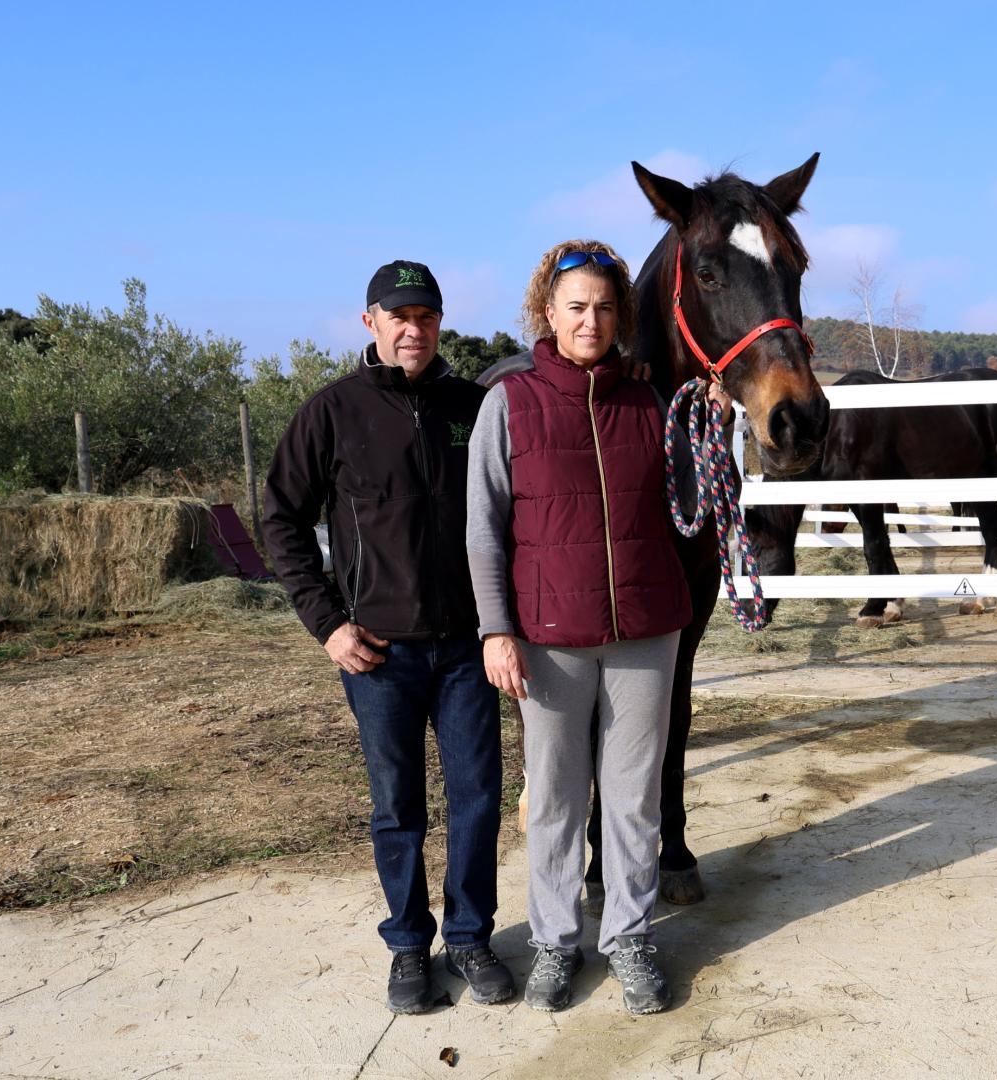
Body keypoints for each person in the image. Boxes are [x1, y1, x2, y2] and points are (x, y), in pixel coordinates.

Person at [466, 239, 718, 1015]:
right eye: (576, 306)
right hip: (548, 634)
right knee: (554, 798)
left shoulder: (649, 400)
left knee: (635, 796)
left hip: (646, 628)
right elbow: (483, 525)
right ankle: (553, 941)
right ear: (548, 311)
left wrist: (713, 425)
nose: (591, 320)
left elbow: (691, 504)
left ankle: (631, 938)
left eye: (606, 308)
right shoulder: (508, 403)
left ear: (622, 317)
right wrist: (495, 629)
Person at [261, 261, 513, 1014]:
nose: (414, 329)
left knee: (476, 798)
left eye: (427, 317)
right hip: (378, 652)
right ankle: (408, 947)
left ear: (441, 323)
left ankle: (469, 937)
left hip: (467, 646)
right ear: (369, 321)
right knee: (396, 805)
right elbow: (279, 519)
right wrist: (327, 623)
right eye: (398, 316)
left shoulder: (474, 408)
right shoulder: (331, 412)